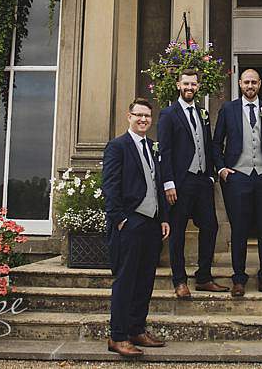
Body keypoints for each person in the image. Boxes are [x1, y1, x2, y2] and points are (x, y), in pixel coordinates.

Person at [102, 98, 171, 357]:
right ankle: (117, 336)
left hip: (152, 223)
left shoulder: (153, 147)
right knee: (126, 280)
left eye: (147, 116)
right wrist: (119, 218)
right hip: (129, 222)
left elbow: (158, 184)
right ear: (128, 116)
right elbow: (110, 185)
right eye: (138, 115)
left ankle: (136, 329)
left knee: (145, 280)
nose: (143, 119)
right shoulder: (117, 146)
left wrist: (163, 217)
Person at [212, 68, 262, 296]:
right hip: (238, 177)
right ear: (240, 84)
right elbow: (216, 143)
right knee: (239, 230)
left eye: (254, 82)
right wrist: (222, 168)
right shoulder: (228, 109)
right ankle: (239, 279)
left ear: (259, 85)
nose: (250, 86)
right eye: (246, 82)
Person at [158, 68, 228, 298]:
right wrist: (168, 182)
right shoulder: (168, 114)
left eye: (193, 84)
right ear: (178, 85)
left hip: (202, 181)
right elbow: (165, 151)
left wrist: (210, 174)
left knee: (210, 226)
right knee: (177, 232)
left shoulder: (203, 113)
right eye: (186, 84)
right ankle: (179, 280)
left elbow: (207, 146)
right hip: (180, 181)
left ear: (198, 87)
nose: (189, 88)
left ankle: (204, 277)